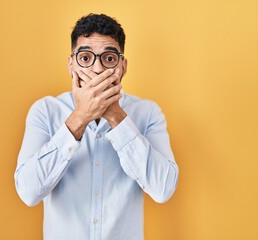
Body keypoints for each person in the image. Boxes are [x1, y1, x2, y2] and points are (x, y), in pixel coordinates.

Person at [14, 13, 179, 240]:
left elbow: (163, 189)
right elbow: (28, 192)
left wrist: (115, 115)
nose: (98, 69)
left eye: (109, 59)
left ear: (123, 66)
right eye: (85, 58)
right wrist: (80, 117)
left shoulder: (148, 113)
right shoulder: (45, 111)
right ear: (71, 64)